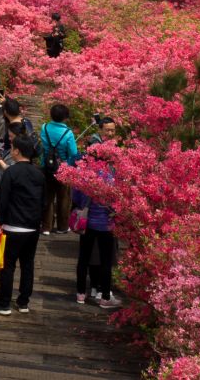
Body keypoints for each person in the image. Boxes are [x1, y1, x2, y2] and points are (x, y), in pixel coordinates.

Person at [0, 136, 45, 315]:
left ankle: (4, 303)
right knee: (28, 265)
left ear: (17, 151)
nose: (11, 150)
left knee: (8, 265)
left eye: (12, 148)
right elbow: (44, 201)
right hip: (32, 227)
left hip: (13, 226)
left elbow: (3, 200)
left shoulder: (12, 173)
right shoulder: (39, 173)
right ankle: (23, 302)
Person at [72, 114, 120, 309]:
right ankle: (104, 297)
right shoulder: (112, 174)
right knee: (106, 261)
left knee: (83, 258)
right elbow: (118, 199)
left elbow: (76, 196)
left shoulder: (87, 173)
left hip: (88, 222)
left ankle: (81, 294)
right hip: (106, 224)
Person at [38, 103, 79, 234]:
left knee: (47, 197)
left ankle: (46, 227)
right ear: (65, 118)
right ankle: (62, 226)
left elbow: (43, 147)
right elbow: (73, 153)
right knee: (64, 198)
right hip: (63, 169)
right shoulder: (68, 133)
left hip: (46, 166)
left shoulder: (44, 128)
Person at [0, 98, 34, 166]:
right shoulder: (27, 121)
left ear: (5, 112)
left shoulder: (12, 129)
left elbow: (5, 146)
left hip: (13, 162)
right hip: (27, 160)